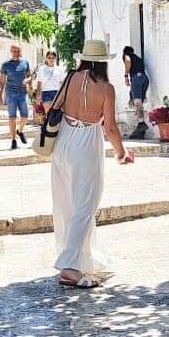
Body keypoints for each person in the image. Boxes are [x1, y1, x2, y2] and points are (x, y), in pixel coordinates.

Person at [51, 39, 135, 288]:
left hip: (62, 140)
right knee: (85, 205)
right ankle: (70, 267)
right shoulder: (106, 88)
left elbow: (54, 106)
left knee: (65, 202)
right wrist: (122, 153)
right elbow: (109, 127)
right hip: (85, 141)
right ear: (103, 61)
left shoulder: (70, 78)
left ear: (83, 57)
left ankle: (81, 257)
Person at [0, 44, 32, 150]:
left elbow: (30, 76)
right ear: (11, 51)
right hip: (10, 93)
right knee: (12, 117)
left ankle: (20, 131)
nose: (16, 53)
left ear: (20, 51)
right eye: (14, 51)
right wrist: (0, 94)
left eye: (17, 51)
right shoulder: (5, 65)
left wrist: (28, 82)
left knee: (25, 116)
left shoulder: (25, 63)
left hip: (22, 93)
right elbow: (2, 81)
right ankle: (13, 140)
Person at [121, 46, 149, 139]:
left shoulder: (126, 55)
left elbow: (128, 60)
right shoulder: (138, 58)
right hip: (144, 78)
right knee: (138, 102)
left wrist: (125, 76)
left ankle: (141, 124)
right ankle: (141, 132)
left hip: (136, 78)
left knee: (137, 103)